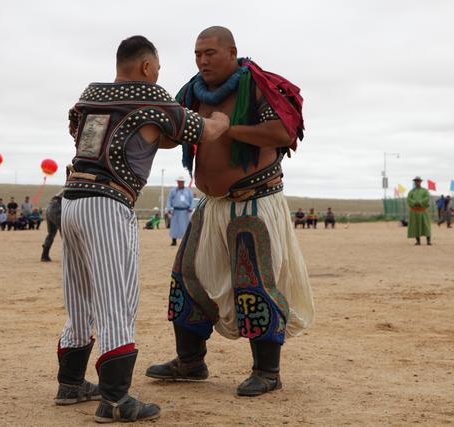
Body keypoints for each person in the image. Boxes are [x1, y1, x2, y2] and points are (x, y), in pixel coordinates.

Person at [56, 35, 228, 423]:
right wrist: (221, 120)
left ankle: (70, 382)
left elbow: (82, 131)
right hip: (108, 203)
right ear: (148, 67)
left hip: (70, 199)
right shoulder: (151, 97)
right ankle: (115, 399)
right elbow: (201, 130)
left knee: (80, 296)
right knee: (117, 299)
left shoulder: (90, 95)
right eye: (159, 69)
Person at [146, 27, 314, 398]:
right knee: (187, 277)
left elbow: (282, 132)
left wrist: (225, 129)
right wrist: (147, 120)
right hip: (210, 204)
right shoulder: (192, 90)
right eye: (197, 54)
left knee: (254, 283)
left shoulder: (256, 85)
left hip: (254, 203)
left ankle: (267, 371)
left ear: (231, 51)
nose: (202, 61)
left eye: (210, 53)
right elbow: (173, 133)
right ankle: (190, 362)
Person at [166, 177, 194, 245]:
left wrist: (191, 207)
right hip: (176, 211)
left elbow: (192, 200)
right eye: (179, 181)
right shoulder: (173, 191)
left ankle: (186, 241)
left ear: (183, 182)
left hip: (185, 212)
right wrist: (169, 208)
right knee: (175, 226)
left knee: (186, 226)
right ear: (177, 182)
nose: (180, 183)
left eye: (181, 181)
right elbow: (169, 200)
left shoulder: (188, 191)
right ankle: (174, 241)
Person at [407, 176, 432, 245]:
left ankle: (428, 241)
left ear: (420, 182)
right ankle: (418, 241)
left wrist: (420, 202)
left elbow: (427, 198)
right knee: (415, 226)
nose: (417, 182)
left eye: (418, 181)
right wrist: (414, 203)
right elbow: (409, 199)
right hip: (414, 211)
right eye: (415, 181)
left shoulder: (425, 191)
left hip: (423, 211)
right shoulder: (411, 192)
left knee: (426, 225)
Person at [41, 193, 62, 262]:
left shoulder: (66, 186)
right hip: (58, 207)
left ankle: (44, 255)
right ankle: (68, 257)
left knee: (51, 233)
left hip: (50, 207)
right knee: (65, 233)